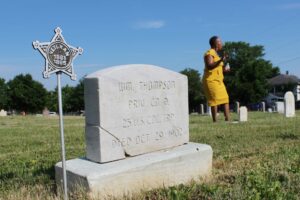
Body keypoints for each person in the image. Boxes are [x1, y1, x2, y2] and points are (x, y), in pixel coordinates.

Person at [202, 36, 230, 122]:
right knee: (214, 100)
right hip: (211, 81)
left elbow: (218, 68)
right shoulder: (209, 53)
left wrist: (225, 70)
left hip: (219, 81)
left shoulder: (217, 55)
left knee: (225, 98)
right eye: (220, 42)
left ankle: (227, 120)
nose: (222, 43)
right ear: (215, 43)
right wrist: (221, 59)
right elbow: (209, 66)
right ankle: (215, 121)